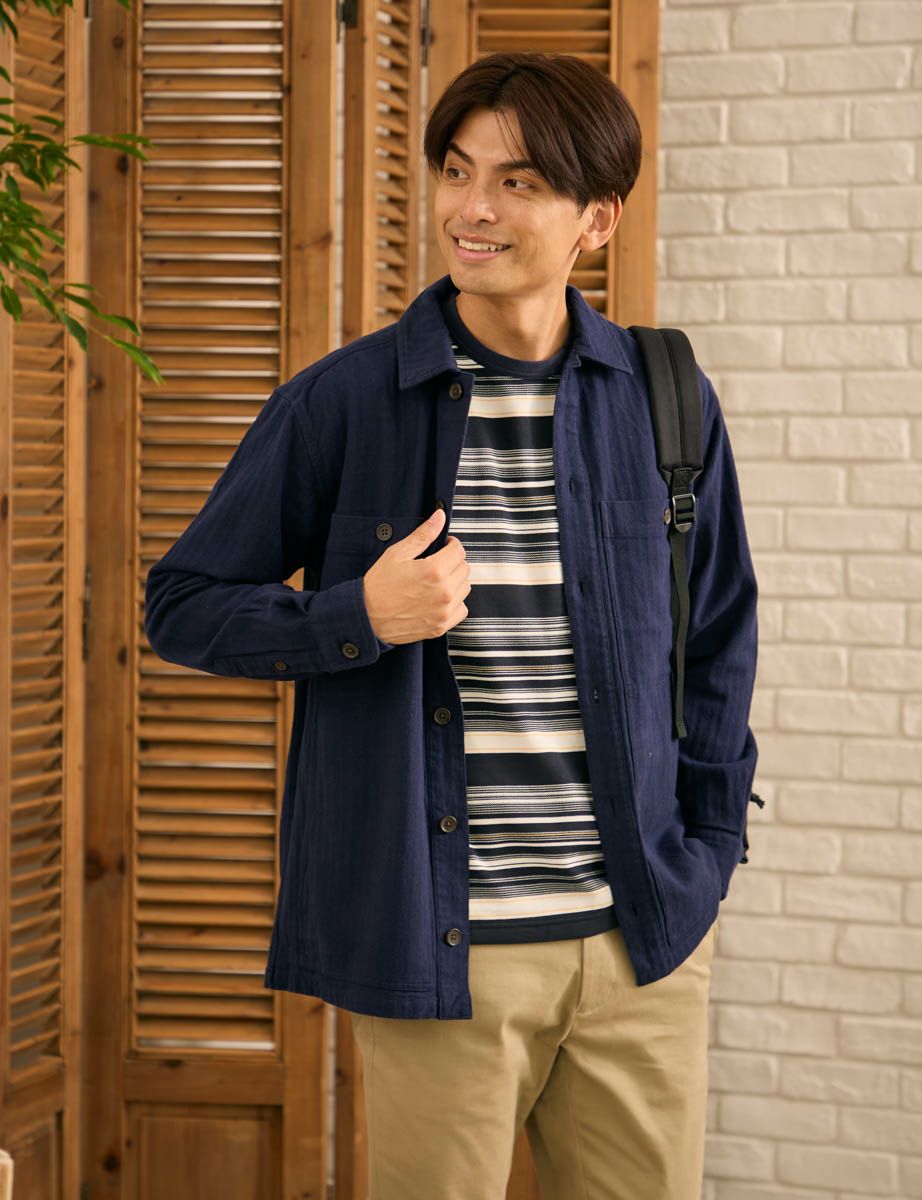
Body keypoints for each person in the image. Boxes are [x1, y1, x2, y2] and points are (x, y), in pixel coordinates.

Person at [145, 50, 759, 1200]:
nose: (473, 208)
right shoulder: (343, 402)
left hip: (644, 942)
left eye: (519, 182)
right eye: (457, 170)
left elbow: (717, 638)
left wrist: (709, 856)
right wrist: (355, 615)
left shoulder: (666, 398)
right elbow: (180, 606)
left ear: (596, 220)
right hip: (448, 953)